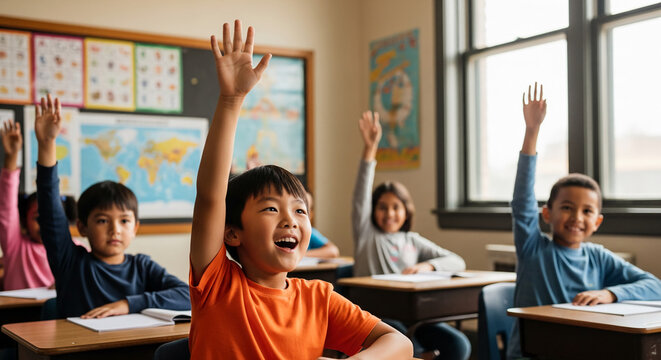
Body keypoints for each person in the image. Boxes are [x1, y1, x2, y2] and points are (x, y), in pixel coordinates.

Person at [188, 20, 412, 359]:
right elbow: (209, 197)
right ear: (232, 234)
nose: (291, 220)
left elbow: (400, 344)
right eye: (270, 208)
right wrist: (231, 100)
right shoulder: (218, 284)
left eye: (299, 210)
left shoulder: (318, 297)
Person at [507, 82, 661, 359]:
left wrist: (610, 294)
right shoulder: (533, 249)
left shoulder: (598, 258)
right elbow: (522, 202)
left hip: (584, 348)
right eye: (567, 207)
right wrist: (532, 131)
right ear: (547, 214)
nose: (577, 217)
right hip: (534, 353)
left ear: (597, 222)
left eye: (587, 211)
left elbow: (655, 286)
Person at [34, 95, 190, 318]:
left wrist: (129, 304)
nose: (115, 229)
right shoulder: (70, 262)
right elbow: (50, 208)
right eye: (102, 220)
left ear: (135, 227)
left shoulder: (142, 267)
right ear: (83, 226)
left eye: (124, 221)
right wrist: (47, 144)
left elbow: (187, 295)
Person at [353, 110, 471, 360]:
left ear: (407, 212)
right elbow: (362, 191)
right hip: (377, 317)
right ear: (372, 211)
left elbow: (456, 261)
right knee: (408, 348)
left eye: (396, 207)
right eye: (382, 207)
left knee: (459, 345)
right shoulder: (366, 233)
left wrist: (427, 266)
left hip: (413, 318)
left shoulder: (412, 241)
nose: (389, 213)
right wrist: (370, 148)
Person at [0, 119, 75, 290]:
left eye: (51, 218)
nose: (45, 224)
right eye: (37, 218)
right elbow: (6, 208)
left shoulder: (74, 249)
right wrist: (11, 157)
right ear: (25, 221)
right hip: (20, 314)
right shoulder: (15, 246)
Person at [305, 191, 340, 258]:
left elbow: (333, 251)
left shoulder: (310, 233)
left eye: (300, 211)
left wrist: (300, 256)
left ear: (311, 215)